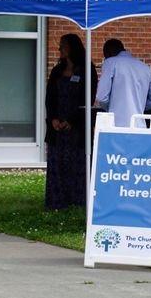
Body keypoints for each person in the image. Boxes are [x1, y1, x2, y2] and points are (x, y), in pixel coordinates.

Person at [45, 34, 98, 210]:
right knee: (57, 162)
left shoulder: (86, 70)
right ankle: (57, 201)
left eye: (63, 46)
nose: (59, 49)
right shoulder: (56, 71)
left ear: (72, 48)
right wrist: (53, 118)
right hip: (57, 126)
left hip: (76, 126)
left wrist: (72, 120)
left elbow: (87, 98)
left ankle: (77, 200)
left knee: (76, 163)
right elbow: (50, 98)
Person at [95, 39, 151, 128]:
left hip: (116, 126)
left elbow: (101, 97)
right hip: (139, 126)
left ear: (108, 54)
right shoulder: (145, 67)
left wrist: (112, 107)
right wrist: (138, 105)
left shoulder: (110, 62)